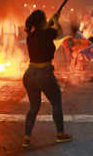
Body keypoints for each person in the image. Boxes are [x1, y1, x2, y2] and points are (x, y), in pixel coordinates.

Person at [22, 10, 72, 148]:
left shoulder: (30, 36)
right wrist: (56, 21)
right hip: (44, 73)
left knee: (33, 107)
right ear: (43, 22)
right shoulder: (48, 33)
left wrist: (50, 23)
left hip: (29, 74)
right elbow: (59, 32)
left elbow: (45, 33)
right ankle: (60, 134)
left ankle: (26, 138)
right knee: (56, 102)